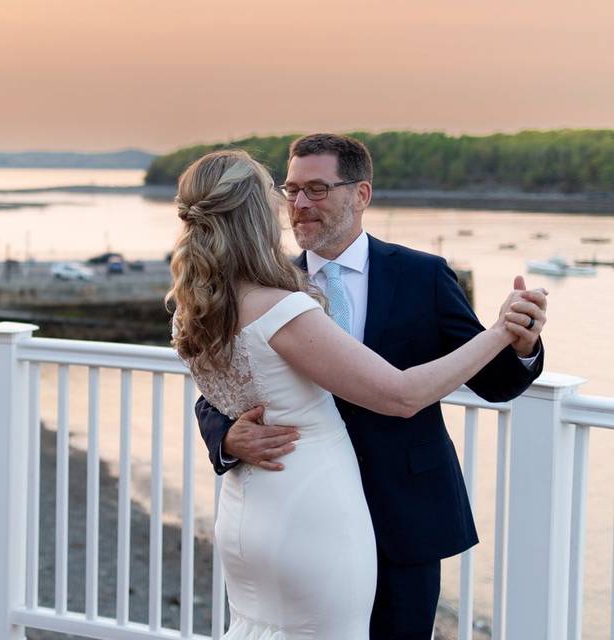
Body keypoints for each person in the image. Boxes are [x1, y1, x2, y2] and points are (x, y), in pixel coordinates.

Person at [172, 145, 546, 639]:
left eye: (317, 189)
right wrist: (228, 438)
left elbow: (493, 382)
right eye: (291, 190)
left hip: (403, 515)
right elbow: (223, 391)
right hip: (306, 512)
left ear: (361, 194)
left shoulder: (423, 275)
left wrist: (520, 342)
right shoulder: (270, 286)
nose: (300, 202)